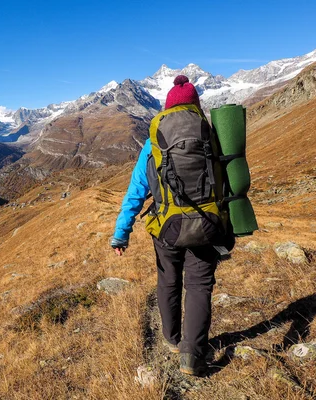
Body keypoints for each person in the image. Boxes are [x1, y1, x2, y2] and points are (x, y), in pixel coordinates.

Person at [110, 75, 221, 377]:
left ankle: (172, 340)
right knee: (199, 286)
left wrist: (121, 234)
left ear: (167, 110)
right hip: (208, 226)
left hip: (166, 229)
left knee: (168, 281)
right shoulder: (213, 135)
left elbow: (136, 191)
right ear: (196, 108)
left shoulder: (153, 143)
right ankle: (192, 355)